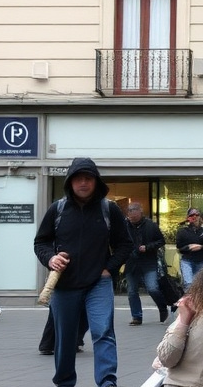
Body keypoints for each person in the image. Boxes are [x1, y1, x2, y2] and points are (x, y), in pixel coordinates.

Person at [33, 157, 133, 387]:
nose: (83, 183)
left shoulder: (109, 209)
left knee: (103, 332)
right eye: (78, 179)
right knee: (65, 339)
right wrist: (51, 258)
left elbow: (125, 244)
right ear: (70, 182)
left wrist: (109, 268)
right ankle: (64, 382)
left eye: (88, 178)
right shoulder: (57, 209)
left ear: (96, 182)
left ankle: (108, 383)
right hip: (64, 286)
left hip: (98, 283)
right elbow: (41, 242)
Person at [124, 202, 169, 325]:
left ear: (140, 212)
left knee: (152, 288)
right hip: (131, 262)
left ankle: (162, 306)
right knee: (132, 291)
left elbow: (161, 241)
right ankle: (136, 316)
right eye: (129, 213)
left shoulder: (151, 225)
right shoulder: (124, 225)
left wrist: (148, 247)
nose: (131, 216)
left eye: (134, 213)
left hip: (148, 261)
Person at [176, 207, 203, 291]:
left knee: (201, 285)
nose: (195, 217)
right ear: (188, 217)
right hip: (187, 261)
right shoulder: (182, 231)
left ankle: (198, 302)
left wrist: (201, 247)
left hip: (201, 261)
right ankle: (189, 302)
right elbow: (179, 247)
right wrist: (189, 247)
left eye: (197, 215)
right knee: (189, 283)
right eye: (192, 215)